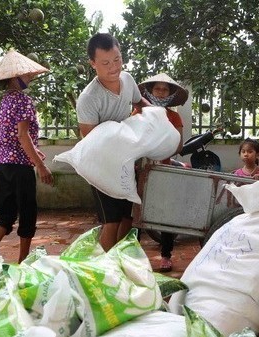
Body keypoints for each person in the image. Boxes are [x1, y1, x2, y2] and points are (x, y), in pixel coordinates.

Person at [76, 33, 150, 252]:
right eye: (105, 63)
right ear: (93, 64)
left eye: (117, 59)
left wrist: (155, 115)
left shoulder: (127, 80)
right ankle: (104, 273)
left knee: (128, 217)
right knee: (111, 221)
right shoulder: (89, 98)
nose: (113, 67)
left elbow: (140, 103)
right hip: (99, 165)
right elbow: (92, 141)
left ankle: (119, 262)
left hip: (125, 161)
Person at [0, 49, 54, 263]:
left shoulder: (5, 100)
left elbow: (14, 136)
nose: (31, 78)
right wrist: (40, 166)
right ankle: (23, 261)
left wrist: (35, 150)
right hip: (20, 166)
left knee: (5, 215)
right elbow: (23, 136)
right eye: (27, 75)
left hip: (2, 163)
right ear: (15, 77)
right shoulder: (23, 101)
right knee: (27, 212)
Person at [133, 73, 189, 272]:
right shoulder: (138, 112)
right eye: (157, 89)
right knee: (136, 213)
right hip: (140, 168)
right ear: (149, 91)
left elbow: (178, 145)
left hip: (164, 169)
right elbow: (132, 137)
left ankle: (166, 255)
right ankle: (133, 256)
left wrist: (160, 149)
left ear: (171, 94)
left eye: (165, 90)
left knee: (165, 212)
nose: (161, 93)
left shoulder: (174, 117)